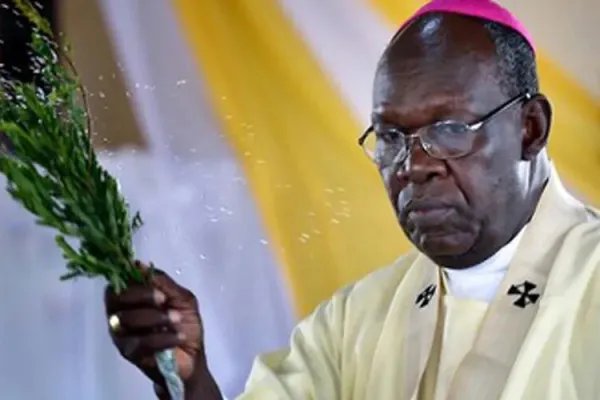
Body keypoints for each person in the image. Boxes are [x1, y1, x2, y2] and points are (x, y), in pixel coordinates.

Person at [104, 1, 600, 399]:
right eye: (390, 138)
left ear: (530, 129)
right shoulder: (356, 319)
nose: (412, 165)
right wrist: (190, 379)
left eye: (448, 130)